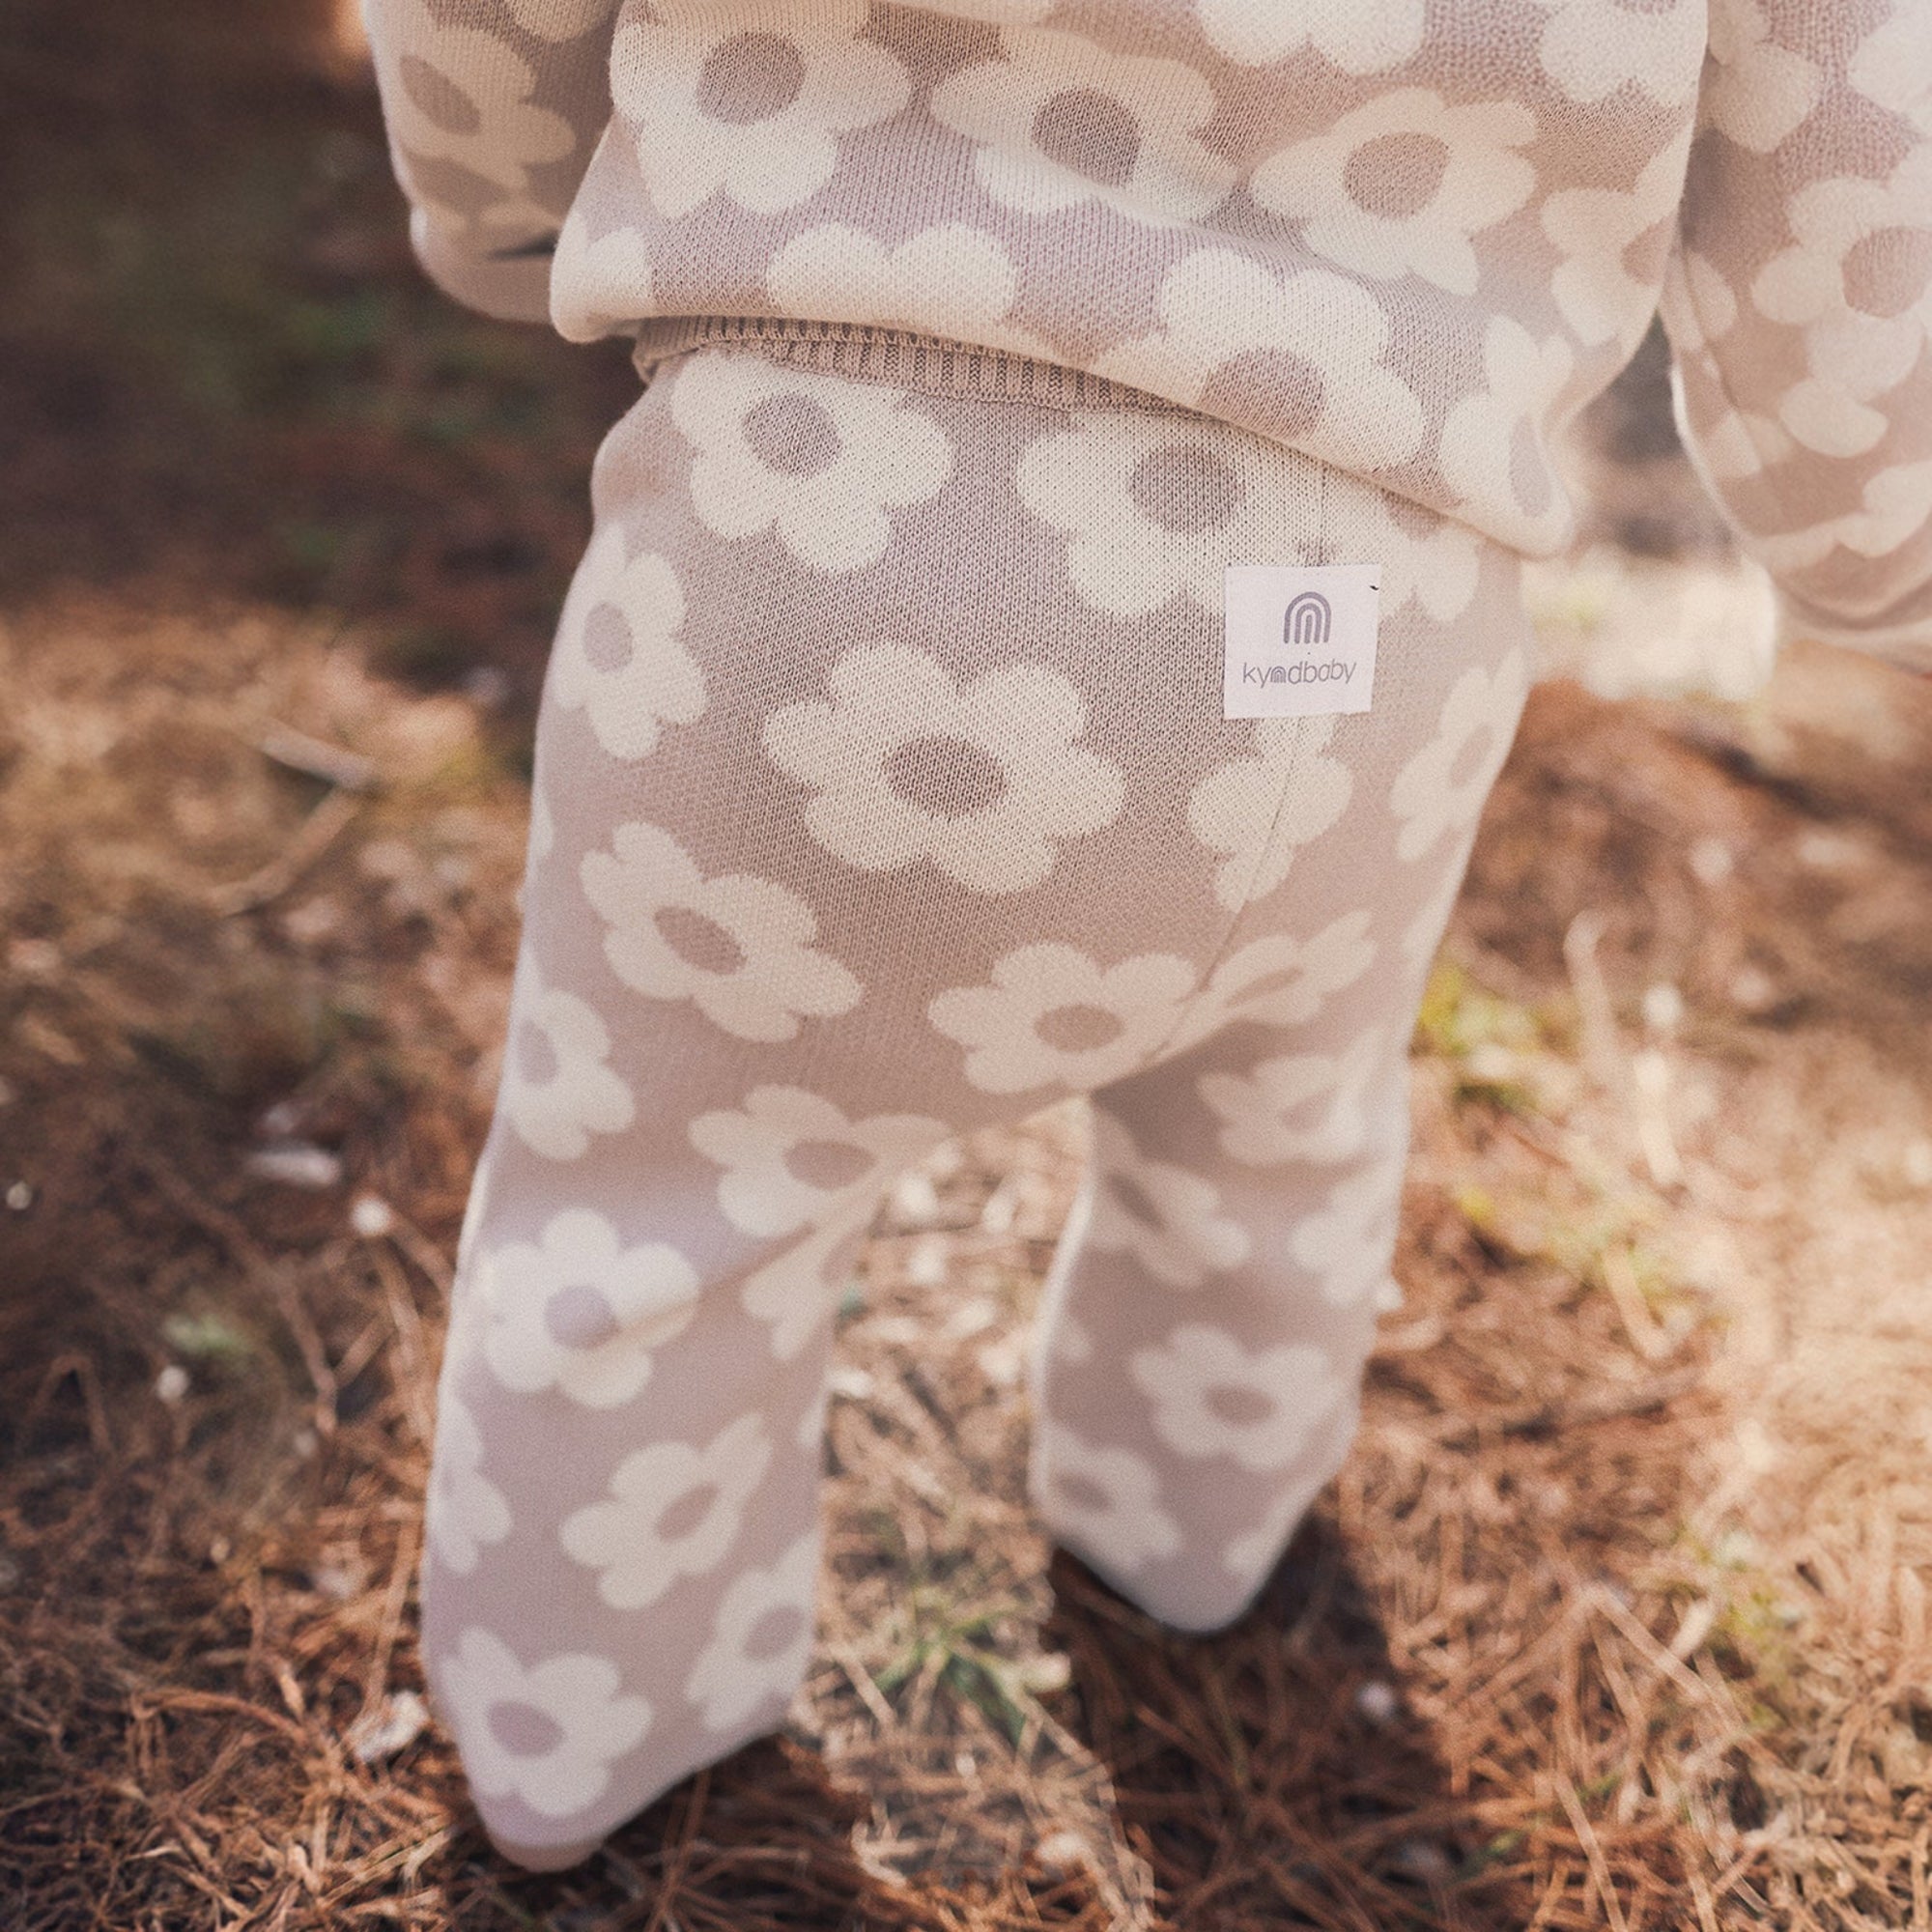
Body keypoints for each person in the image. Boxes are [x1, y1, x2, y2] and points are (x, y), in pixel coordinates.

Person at [361, 0, 1932, 1869]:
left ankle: (587, 1729)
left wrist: (503, 205)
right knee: (1279, 1132)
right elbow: (1851, 186)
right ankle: (1192, 1529)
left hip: (832, 548)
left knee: (666, 1202)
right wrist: (1873, 560)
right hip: (1382, 644)